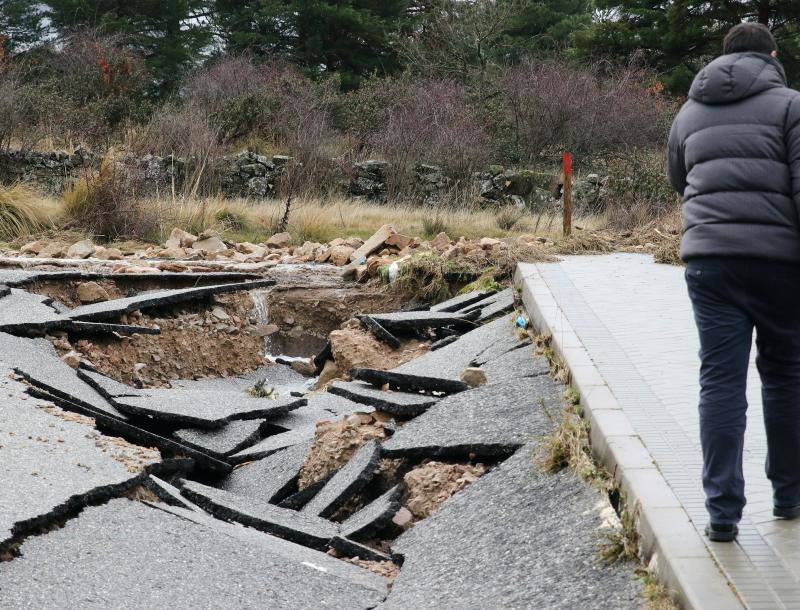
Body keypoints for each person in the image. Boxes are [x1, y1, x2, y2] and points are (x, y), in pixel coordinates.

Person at [667, 22, 800, 542]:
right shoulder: (791, 105)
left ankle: (722, 513)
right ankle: (789, 496)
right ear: (770, 55)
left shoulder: (688, 111)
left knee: (719, 381)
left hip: (710, 261)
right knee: (786, 375)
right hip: (779, 264)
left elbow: (680, 178)